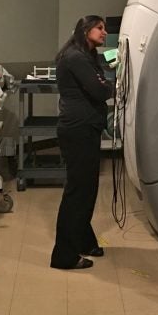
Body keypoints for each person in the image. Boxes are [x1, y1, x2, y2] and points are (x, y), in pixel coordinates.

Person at [50, 15, 114, 270]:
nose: (104, 32)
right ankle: (63, 256)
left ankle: (84, 241)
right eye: (99, 28)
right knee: (77, 192)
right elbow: (101, 90)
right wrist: (107, 85)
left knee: (88, 189)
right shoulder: (75, 57)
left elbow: (100, 85)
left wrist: (104, 83)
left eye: (105, 28)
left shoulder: (89, 56)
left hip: (87, 128)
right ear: (85, 30)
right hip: (78, 130)